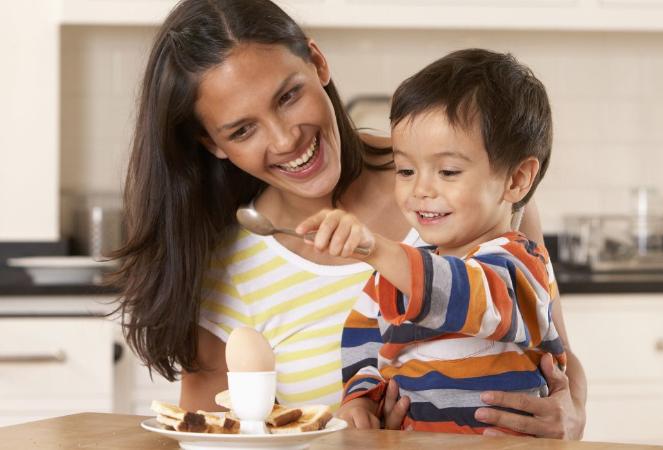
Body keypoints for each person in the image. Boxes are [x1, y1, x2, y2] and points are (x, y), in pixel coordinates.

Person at [112, 0, 586, 438]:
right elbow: (215, 439)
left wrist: (571, 416)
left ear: (317, 63)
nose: (285, 139)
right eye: (242, 129)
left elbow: (554, 350)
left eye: (288, 96)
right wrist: (354, 423)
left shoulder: (474, 184)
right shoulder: (226, 272)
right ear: (214, 144)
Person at [296, 49, 566, 435]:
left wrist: (378, 248)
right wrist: (359, 398)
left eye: (448, 171)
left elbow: (471, 297)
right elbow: (364, 345)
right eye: (405, 170)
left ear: (517, 179)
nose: (420, 189)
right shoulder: (392, 278)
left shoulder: (521, 264)